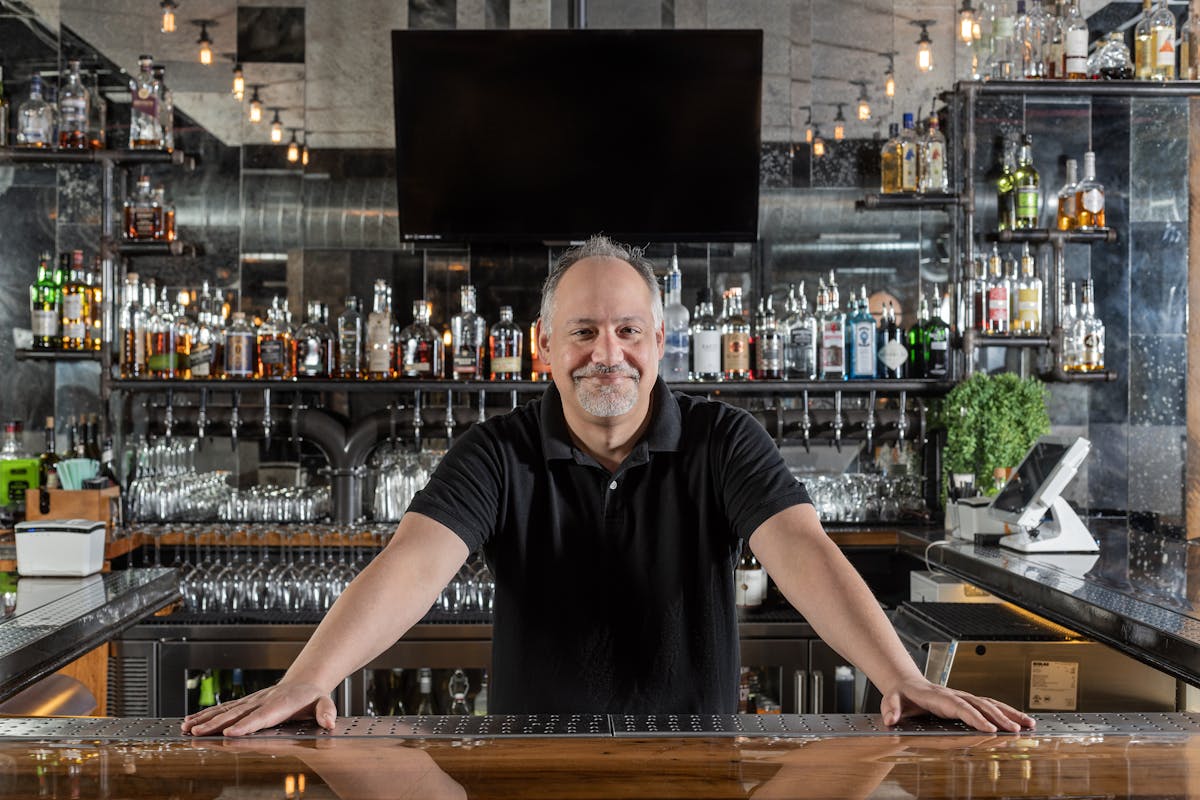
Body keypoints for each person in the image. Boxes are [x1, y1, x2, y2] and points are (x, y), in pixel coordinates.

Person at [182, 235, 1033, 736]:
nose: (607, 353)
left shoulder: (719, 439)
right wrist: (307, 679)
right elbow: (412, 563)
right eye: (583, 332)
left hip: (697, 758)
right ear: (545, 349)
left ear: (659, 343)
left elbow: (803, 551)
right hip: (528, 762)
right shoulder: (498, 451)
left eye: (627, 331)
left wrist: (903, 678)